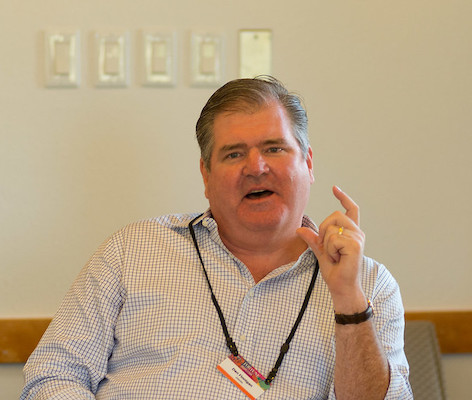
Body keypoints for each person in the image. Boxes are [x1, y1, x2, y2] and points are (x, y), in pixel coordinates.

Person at [21, 76, 412, 399]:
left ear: (307, 163)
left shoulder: (370, 286)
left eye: (274, 148)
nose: (256, 168)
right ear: (206, 175)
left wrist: (347, 300)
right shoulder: (131, 251)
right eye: (233, 154)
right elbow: (53, 375)